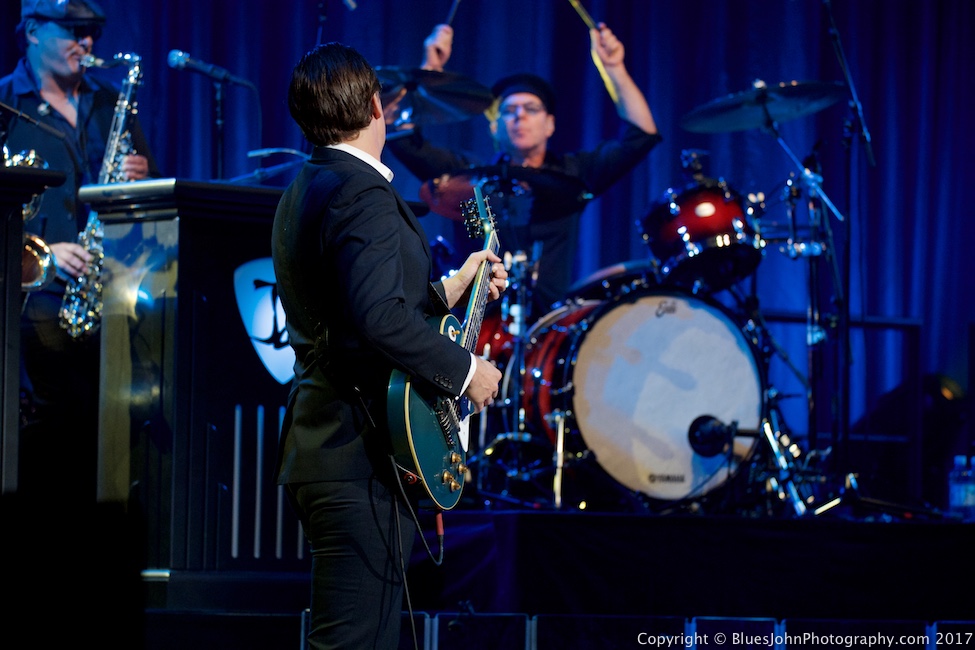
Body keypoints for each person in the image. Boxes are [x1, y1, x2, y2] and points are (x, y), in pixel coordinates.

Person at [271, 42, 508, 649]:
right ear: (377, 106)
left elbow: (355, 312)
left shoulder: (311, 184)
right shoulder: (363, 193)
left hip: (329, 444)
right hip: (357, 455)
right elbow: (377, 319)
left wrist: (450, 291)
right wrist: (466, 372)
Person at [386, 22, 662, 323]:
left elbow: (641, 136)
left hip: (549, 328)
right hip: (475, 325)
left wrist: (614, 68)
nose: (519, 116)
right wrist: (430, 71)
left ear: (550, 125)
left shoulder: (573, 174)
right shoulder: (468, 175)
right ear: (494, 126)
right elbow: (404, 141)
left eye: (531, 108)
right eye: (509, 110)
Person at [0, 0, 158, 502]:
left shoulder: (111, 102)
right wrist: (46, 248)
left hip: (109, 286)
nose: (87, 43)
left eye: (92, 32)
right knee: (58, 416)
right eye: (72, 30)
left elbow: (147, 201)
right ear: (30, 31)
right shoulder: (6, 104)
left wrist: (144, 180)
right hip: (33, 295)